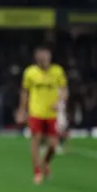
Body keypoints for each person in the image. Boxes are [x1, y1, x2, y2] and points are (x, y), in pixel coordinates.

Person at [16, 46, 68, 184]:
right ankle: (37, 173)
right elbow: (25, 92)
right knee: (36, 141)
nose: (44, 60)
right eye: (41, 57)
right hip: (36, 112)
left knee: (53, 144)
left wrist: (60, 101)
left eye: (46, 57)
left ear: (49, 57)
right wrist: (22, 110)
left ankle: (44, 162)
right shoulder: (30, 73)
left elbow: (64, 90)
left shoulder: (57, 71)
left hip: (52, 114)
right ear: (37, 58)